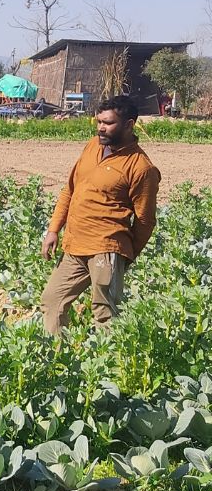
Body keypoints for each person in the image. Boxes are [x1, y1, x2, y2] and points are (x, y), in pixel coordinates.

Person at [39, 95, 160, 335]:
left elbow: (145, 221)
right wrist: (54, 229)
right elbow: (70, 190)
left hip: (106, 248)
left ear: (129, 124)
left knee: (105, 314)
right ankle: (57, 355)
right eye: (99, 122)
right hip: (75, 245)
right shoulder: (93, 146)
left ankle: (109, 359)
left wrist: (124, 257)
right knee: (52, 301)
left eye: (108, 123)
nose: (101, 128)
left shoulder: (141, 168)